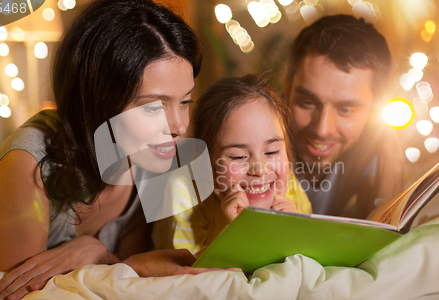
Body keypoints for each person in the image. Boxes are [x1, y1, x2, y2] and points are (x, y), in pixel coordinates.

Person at [0, 0, 217, 300]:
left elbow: (123, 276)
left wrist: (97, 252)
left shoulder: (152, 158)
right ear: (98, 102)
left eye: (185, 101)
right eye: (153, 107)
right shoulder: (29, 164)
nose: (178, 126)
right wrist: (110, 261)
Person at [153, 75, 312, 256]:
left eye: (272, 152)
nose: (260, 170)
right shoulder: (184, 194)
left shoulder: (290, 188)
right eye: (239, 156)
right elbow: (186, 276)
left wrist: (295, 236)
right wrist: (240, 233)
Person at [283, 14, 404, 219]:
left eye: (345, 110)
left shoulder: (374, 143)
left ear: (374, 106)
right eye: (308, 103)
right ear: (287, 88)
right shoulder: (253, 136)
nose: (322, 129)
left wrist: (391, 158)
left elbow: (383, 229)